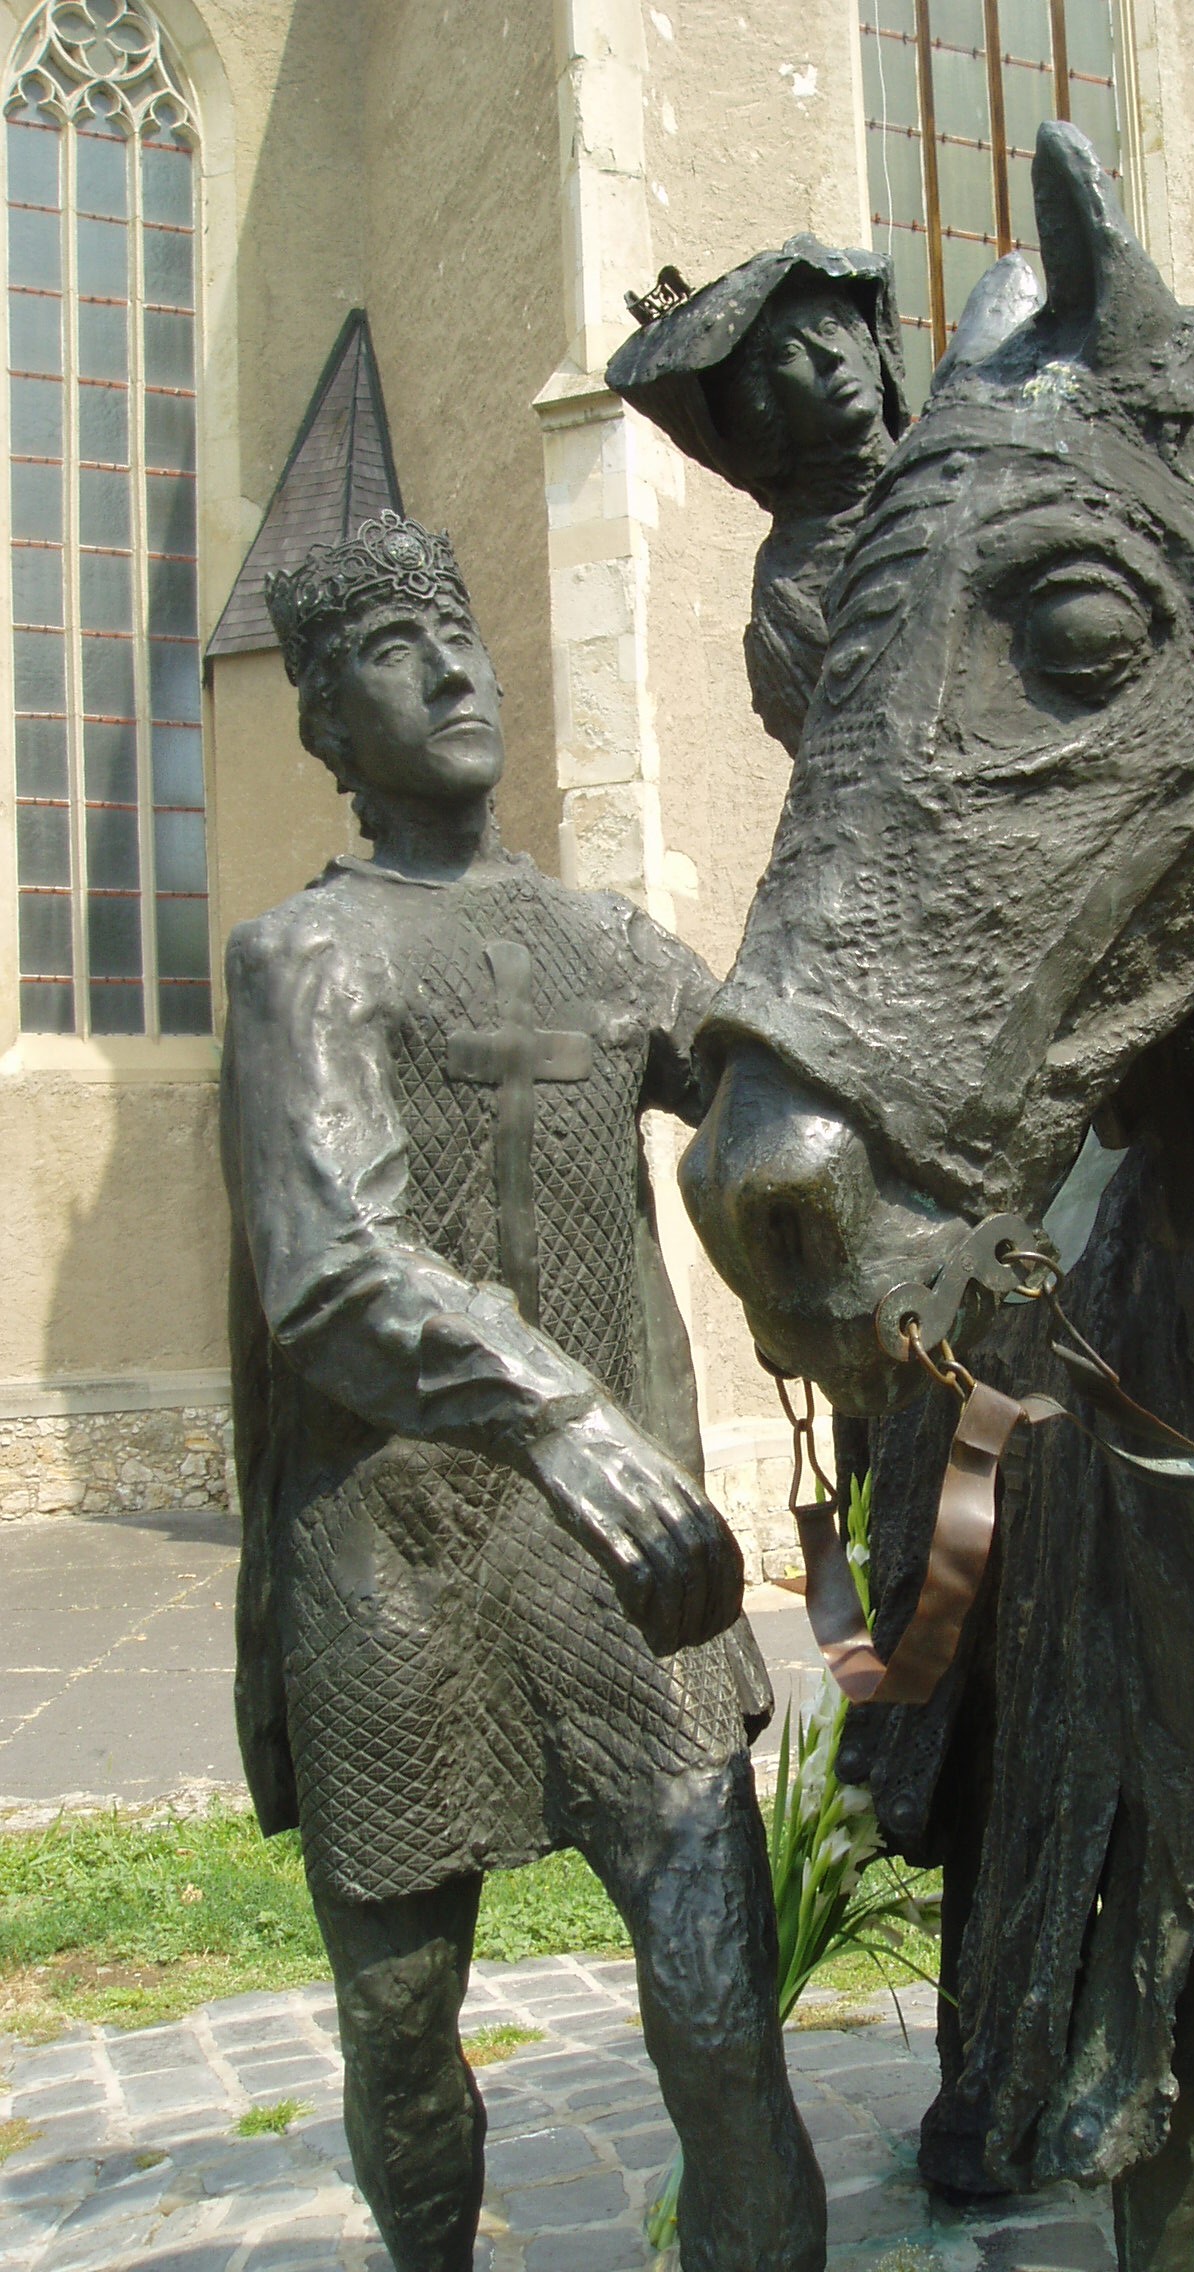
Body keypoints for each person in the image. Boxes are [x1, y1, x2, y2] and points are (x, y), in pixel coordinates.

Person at [222, 511, 825, 2272]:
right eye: (391, 652)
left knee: (721, 2010)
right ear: (327, 727)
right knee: (403, 2039)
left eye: (457, 634)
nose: (451, 670)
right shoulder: (306, 960)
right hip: (391, 1564)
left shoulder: (607, 944)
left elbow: (783, 1120)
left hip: (615, 1570)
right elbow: (333, 1269)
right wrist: (564, 1417)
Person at [607, 235, 908, 752]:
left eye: (831, 328)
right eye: (791, 352)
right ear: (764, 404)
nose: (830, 357)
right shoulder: (784, 588)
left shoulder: (952, 483)